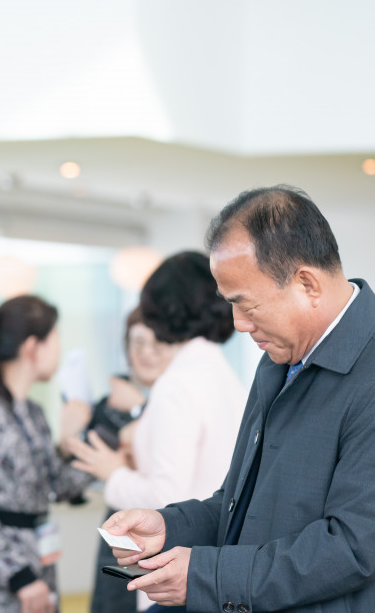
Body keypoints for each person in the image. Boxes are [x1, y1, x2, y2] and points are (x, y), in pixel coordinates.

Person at [103, 186, 375, 612]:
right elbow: (242, 504)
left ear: (307, 284)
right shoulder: (279, 362)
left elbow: (351, 549)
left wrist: (205, 575)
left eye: (246, 305)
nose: (238, 323)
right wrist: (170, 527)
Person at [69, 252, 247, 612]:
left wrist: (113, 473)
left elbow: (167, 496)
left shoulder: (177, 383)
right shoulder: (223, 375)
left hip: (177, 568)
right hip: (213, 562)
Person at [0, 295, 93, 613]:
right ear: (31, 347)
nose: (60, 350)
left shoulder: (34, 413)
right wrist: (20, 576)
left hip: (40, 561)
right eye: (55, 339)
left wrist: (73, 441)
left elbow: (60, 487)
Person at [84, 307, 176, 613]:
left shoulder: (181, 400)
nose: (147, 352)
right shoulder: (109, 406)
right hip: (120, 529)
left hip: (169, 528)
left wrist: (139, 408)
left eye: (157, 343)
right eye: (138, 343)